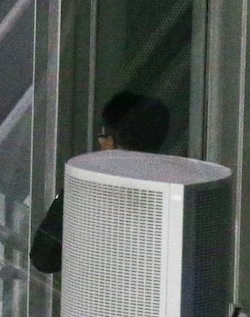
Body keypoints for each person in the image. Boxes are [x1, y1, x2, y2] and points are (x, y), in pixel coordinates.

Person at [30, 90, 170, 273]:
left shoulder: (95, 193)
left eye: (102, 137)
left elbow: (44, 258)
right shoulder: (170, 190)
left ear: (111, 144)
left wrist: (70, 193)